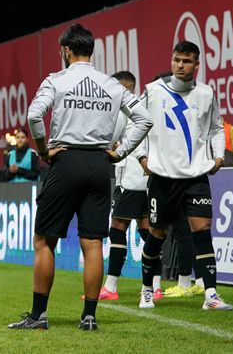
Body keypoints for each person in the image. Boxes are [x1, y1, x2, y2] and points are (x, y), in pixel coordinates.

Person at [8, 24, 152, 331]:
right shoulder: (111, 85)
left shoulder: (57, 80)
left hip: (67, 160)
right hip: (100, 164)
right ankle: (89, 317)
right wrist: (121, 152)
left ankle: (38, 315)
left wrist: (44, 150)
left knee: (44, 240)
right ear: (91, 50)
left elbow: (34, 115)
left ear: (66, 50)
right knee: (93, 243)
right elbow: (144, 119)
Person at [135, 41, 233, 311]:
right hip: (163, 177)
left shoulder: (206, 93)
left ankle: (211, 294)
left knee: (202, 232)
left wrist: (219, 155)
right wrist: (142, 157)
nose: (180, 65)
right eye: (176, 59)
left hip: (195, 177)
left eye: (186, 61)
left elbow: (216, 127)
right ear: (171, 60)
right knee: (156, 233)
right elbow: (139, 125)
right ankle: (146, 290)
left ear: (197, 64)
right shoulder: (153, 91)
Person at [98, 71, 162, 301]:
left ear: (123, 87)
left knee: (117, 228)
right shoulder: (144, 108)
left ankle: (111, 287)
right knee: (148, 231)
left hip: (131, 180)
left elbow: (110, 140)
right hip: (149, 180)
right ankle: (155, 286)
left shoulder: (123, 109)